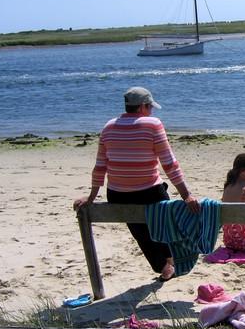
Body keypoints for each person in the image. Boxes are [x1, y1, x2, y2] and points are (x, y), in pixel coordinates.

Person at [73, 87, 201, 281]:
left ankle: (164, 266)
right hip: (148, 192)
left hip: (117, 195)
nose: (151, 111)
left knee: (140, 229)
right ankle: (171, 258)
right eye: (150, 107)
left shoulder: (108, 127)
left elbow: (100, 167)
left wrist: (91, 197)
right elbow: (169, 164)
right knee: (165, 218)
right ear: (143, 106)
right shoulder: (152, 124)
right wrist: (186, 195)